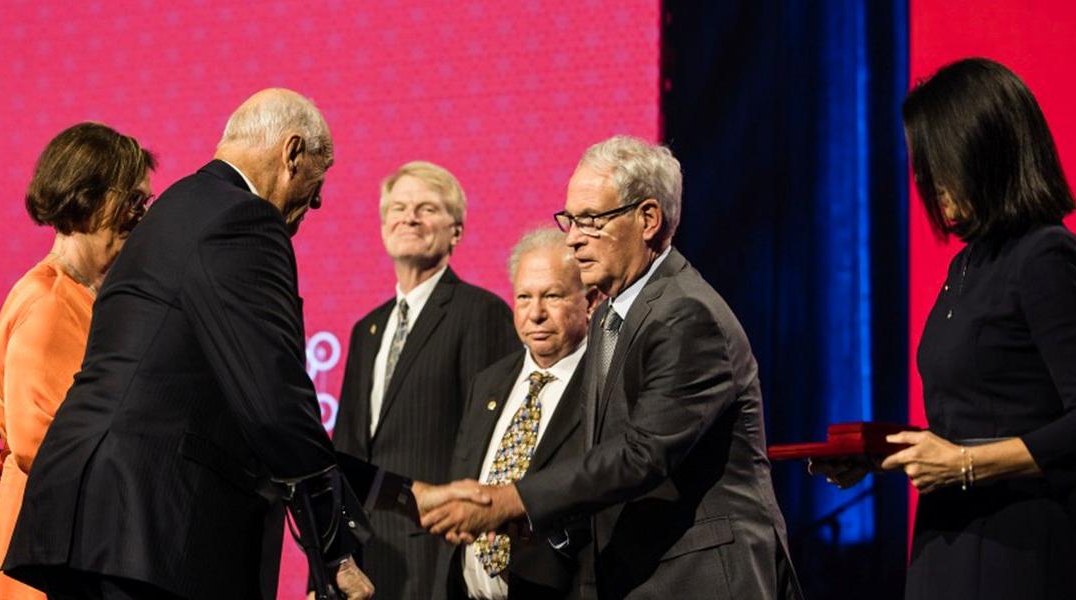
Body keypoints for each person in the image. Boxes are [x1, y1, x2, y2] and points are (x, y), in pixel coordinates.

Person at [3, 89, 374, 600]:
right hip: (150, 520)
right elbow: (273, 396)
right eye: (318, 179)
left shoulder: (173, 210)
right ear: (291, 154)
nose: (316, 201)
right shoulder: (244, 220)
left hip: (91, 518)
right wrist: (333, 548)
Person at [421, 136, 802, 599]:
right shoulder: (608, 314)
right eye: (570, 220)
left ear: (647, 219)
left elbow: (643, 454)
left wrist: (514, 499)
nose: (574, 236)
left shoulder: (684, 313)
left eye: (591, 220)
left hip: (703, 576)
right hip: (641, 574)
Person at [815, 57, 1076, 600]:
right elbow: (969, 417)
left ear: (986, 151)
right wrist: (887, 453)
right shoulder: (965, 265)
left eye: (942, 165)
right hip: (948, 542)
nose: (931, 184)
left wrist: (965, 465)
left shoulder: (1046, 255)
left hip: (1020, 549)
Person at [0, 122, 155, 600]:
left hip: (65, 543)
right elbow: (43, 446)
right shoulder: (50, 301)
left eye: (145, 205)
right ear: (87, 197)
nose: (141, 218)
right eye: (134, 202)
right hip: (49, 555)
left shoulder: (84, 295)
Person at [333, 161, 515, 599]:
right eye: (397, 208)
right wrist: (331, 559)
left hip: (437, 555)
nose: (409, 217)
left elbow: (484, 442)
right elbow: (345, 453)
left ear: (456, 230)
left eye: (425, 208)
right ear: (382, 226)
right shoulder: (367, 329)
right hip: (364, 561)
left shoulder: (481, 314)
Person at [431, 228, 596, 600]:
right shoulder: (488, 382)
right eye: (524, 297)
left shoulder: (605, 384)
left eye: (552, 296)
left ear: (589, 300)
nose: (535, 313)